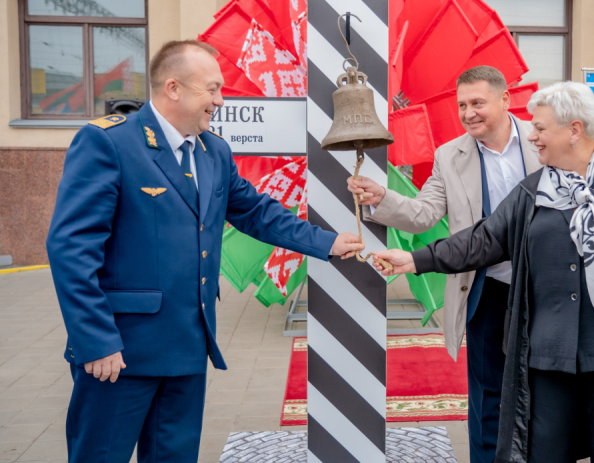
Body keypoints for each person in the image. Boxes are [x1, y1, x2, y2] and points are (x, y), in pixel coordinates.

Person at [46, 40, 363, 463]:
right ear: (173, 88)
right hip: (120, 353)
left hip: (187, 345)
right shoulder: (110, 143)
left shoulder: (214, 151)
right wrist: (96, 340)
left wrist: (326, 242)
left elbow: (254, 211)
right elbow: (71, 247)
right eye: (211, 89)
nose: (219, 100)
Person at [372, 81, 594, 463]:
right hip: (548, 355)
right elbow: (483, 239)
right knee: (541, 452)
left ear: (574, 130)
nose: (532, 136)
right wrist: (415, 260)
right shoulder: (534, 190)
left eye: (541, 128)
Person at [348, 66, 541, 462]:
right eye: (462, 105)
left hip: (544, 291)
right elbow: (423, 213)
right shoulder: (449, 156)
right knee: (488, 396)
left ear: (505, 100)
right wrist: (380, 197)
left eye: (478, 103)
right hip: (487, 291)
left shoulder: (542, 141)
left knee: (542, 391)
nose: (468, 113)